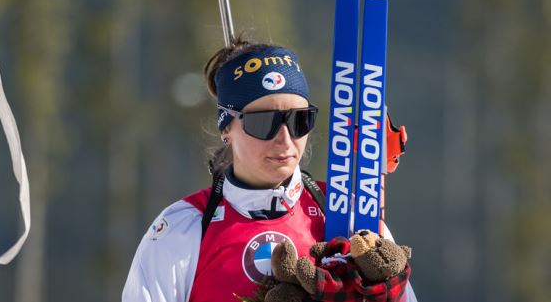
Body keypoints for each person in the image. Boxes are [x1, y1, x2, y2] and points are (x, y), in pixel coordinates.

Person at [122, 37, 418, 302]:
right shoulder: (185, 228)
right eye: (264, 122)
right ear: (227, 128)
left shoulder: (347, 214)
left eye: (299, 120)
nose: (286, 139)